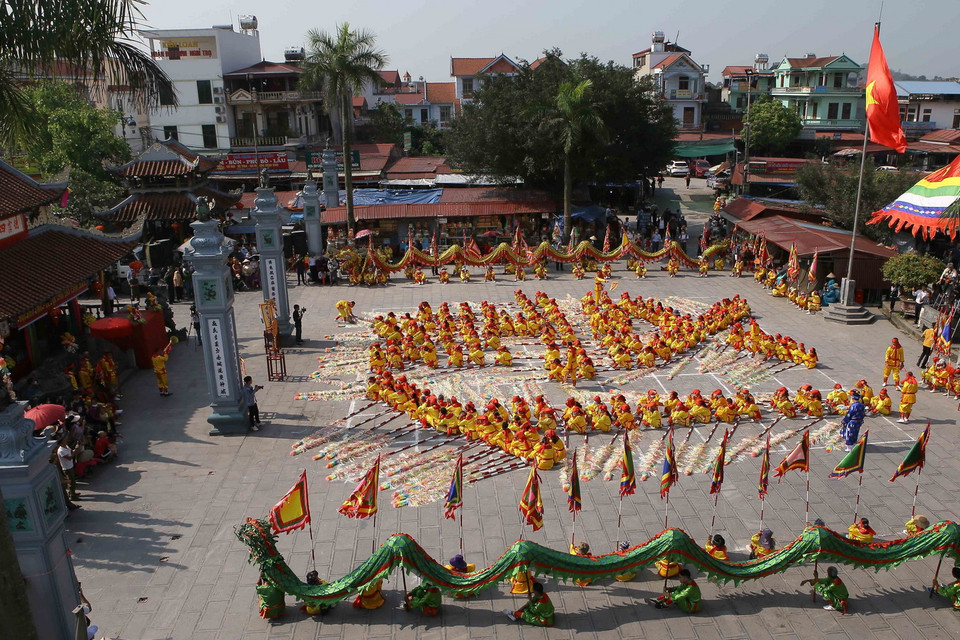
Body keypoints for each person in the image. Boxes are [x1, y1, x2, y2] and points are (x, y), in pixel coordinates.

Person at [57, 434, 79, 501]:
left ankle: (72, 492)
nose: (66, 441)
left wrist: (74, 450)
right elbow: (69, 458)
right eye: (64, 441)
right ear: (61, 443)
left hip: (71, 465)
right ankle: (72, 496)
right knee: (71, 482)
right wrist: (75, 450)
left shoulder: (66, 446)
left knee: (73, 481)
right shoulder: (61, 451)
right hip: (67, 468)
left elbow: (71, 452)